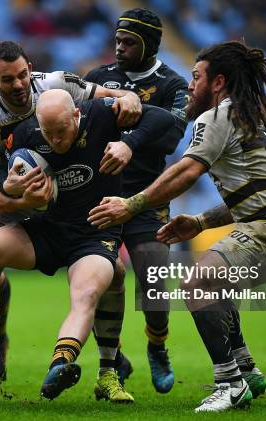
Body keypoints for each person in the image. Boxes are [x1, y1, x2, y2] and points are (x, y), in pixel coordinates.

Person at [88, 40, 266, 412]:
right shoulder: (246, 118)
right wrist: (200, 220)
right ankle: (246, 368)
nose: (190, 86)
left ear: (218, 82)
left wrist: (130, 205)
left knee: (197, 281)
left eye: (196, 77)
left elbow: (187, 171)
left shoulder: (218, 116)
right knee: (214, 281)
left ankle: (229, 382)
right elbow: (257, 192)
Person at [0, 89, 176, 402]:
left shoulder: (100, 114)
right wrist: (10, 185)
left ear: (77, 116)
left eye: (62, 131)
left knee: (86, 294)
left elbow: (163, 118)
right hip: (45, 230)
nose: (55, 139)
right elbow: (3, 174)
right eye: (48, 132)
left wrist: (128, 143)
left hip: (94, 234)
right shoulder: (27, 133)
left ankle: (62, 365)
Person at [83, 8, 189, 395]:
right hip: (100, 194)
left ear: (150, 44)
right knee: (98, 278)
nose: (120, 48)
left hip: (147, 196)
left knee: (155, 279)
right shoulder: (99, 77)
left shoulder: (173, 84)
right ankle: (113, 359)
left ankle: (157, 345)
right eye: (117, 41)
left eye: (128, 42)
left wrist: (133, 123)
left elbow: (171, 134)